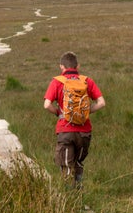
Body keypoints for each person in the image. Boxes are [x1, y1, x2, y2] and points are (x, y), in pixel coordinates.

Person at [43, 51, 106, 189]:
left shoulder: (57, 82)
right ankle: (79, 193)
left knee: (66, 166)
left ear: (61, 67)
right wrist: (86, 112)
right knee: (78, 163)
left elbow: (47, 105)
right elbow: (101, 103)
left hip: (65, 130)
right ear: (78, 66)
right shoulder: (87, 81)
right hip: (84, 132)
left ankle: (69, 198)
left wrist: (58, 113)